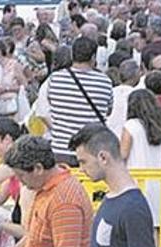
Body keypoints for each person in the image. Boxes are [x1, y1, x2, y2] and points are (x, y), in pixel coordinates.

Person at [46, 37, 112, 165]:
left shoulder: (55, 78)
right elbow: (108, 110)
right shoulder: (105, 81)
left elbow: (51, 104)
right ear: (93, 57)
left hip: (60, 149)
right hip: (91, 151)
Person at [121, 88, 161, 227]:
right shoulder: (160, 126)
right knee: (155, 224)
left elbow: (123, 155)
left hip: (135, 180)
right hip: (157, 181)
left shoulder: (130, 126)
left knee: (137, 226)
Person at [108, 59, 141, 138]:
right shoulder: (138, 96)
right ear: (136, 74)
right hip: (128, 138)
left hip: (109, 136)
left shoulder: (110, 92)